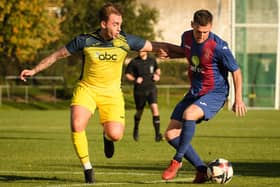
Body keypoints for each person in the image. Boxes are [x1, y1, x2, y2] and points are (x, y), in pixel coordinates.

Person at [19, 2, 182, 184]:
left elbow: (158, 45)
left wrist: (187, 52)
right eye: (115, 24)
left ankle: (107, 137)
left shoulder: (126, 41)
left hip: (112, 94)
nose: (119, 28)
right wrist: (34, 70)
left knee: (115, 135)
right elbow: (57, 55)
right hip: (87, 89)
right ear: (104, 24)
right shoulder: (85, 40)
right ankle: (88, 169)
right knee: (77, 124)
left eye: (120, 24)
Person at [160, 9, 247, 183]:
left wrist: (238, 98)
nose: (201, 35)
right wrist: (171, 54)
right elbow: (189, 52)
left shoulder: (219, 46)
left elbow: (236, 72)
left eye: (205, 32)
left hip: (215, 93)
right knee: (170, 134)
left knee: (189, 114)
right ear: (192, 25)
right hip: (195, 92)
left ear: (211, 28)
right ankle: (201, 170)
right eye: (198, 31)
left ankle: (176, 161)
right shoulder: (186, 37)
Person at [125, 51, 162, 142]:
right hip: (139, 90)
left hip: (151, 88)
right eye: (138, 50)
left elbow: (157, 70)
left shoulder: (152, 60)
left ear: (146, 51)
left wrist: (158, 75)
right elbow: (127, 74)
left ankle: (158, 135)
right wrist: (135, 79)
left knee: (154, 108)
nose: (140, 51)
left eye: (141, 50)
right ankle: (136, 128)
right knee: (139, 112)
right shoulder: (134, 62)